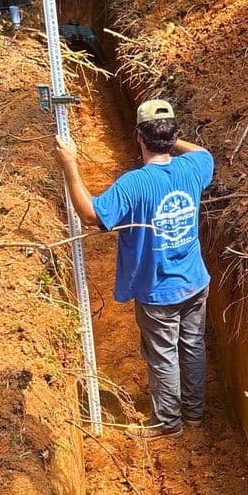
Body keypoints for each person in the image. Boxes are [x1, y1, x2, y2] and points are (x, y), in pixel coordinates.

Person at [54, 99, 215, 437]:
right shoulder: (195, 167)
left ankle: (168, 422)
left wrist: (70, 164)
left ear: (138, 137)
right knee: (193, 346)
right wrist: (172, 140)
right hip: (195, 281)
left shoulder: (135, 184)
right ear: (171, 135)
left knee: (164, 355)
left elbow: (90, 215)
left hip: (159, 291)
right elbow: (202, 151)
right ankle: (195, 415)